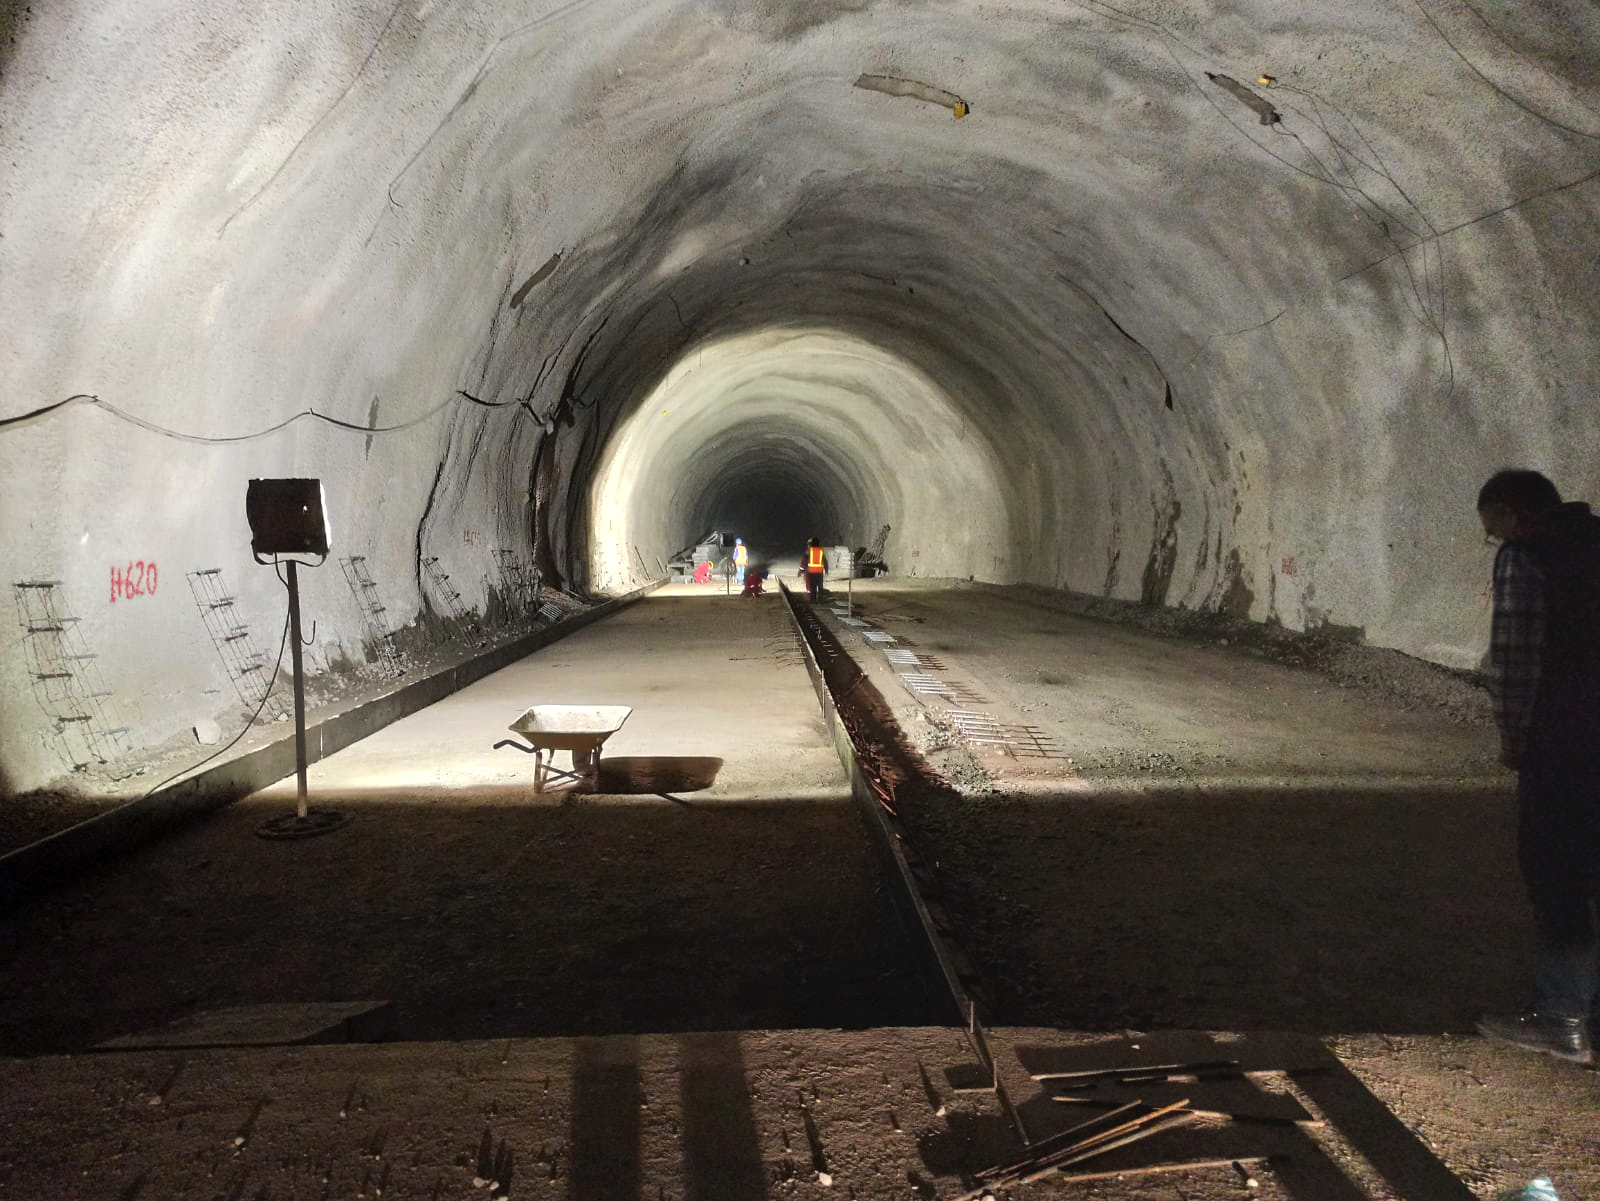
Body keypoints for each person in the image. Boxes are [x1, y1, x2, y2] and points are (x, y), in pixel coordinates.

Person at [1475, 469, 1600, 1065]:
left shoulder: (1525, 556)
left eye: (1490, 528)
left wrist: (1514, 739)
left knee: (1558, 874)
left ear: (1509, 513)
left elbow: (1515, 657)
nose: (1493, 540)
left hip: (1565, 742)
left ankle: (1561, 1019)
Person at [804, 537, 827, 602]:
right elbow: (824, 560)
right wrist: (826, 569)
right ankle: (820, 600)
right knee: (820, 587)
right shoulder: (821, 550)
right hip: (819, 572)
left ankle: (813, 600)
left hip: (811, 572)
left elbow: (805, 560)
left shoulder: (809, 551)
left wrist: (803, 570)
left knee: (813, 587)